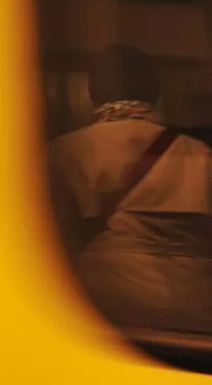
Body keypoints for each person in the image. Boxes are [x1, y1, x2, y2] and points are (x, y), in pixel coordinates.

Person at [49, 44, 212, 337]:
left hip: (110, 306)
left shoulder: (66, 152)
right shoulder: (199, 152)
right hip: (198, 306)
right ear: (155, 92)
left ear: (92, 93)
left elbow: (52, 238)